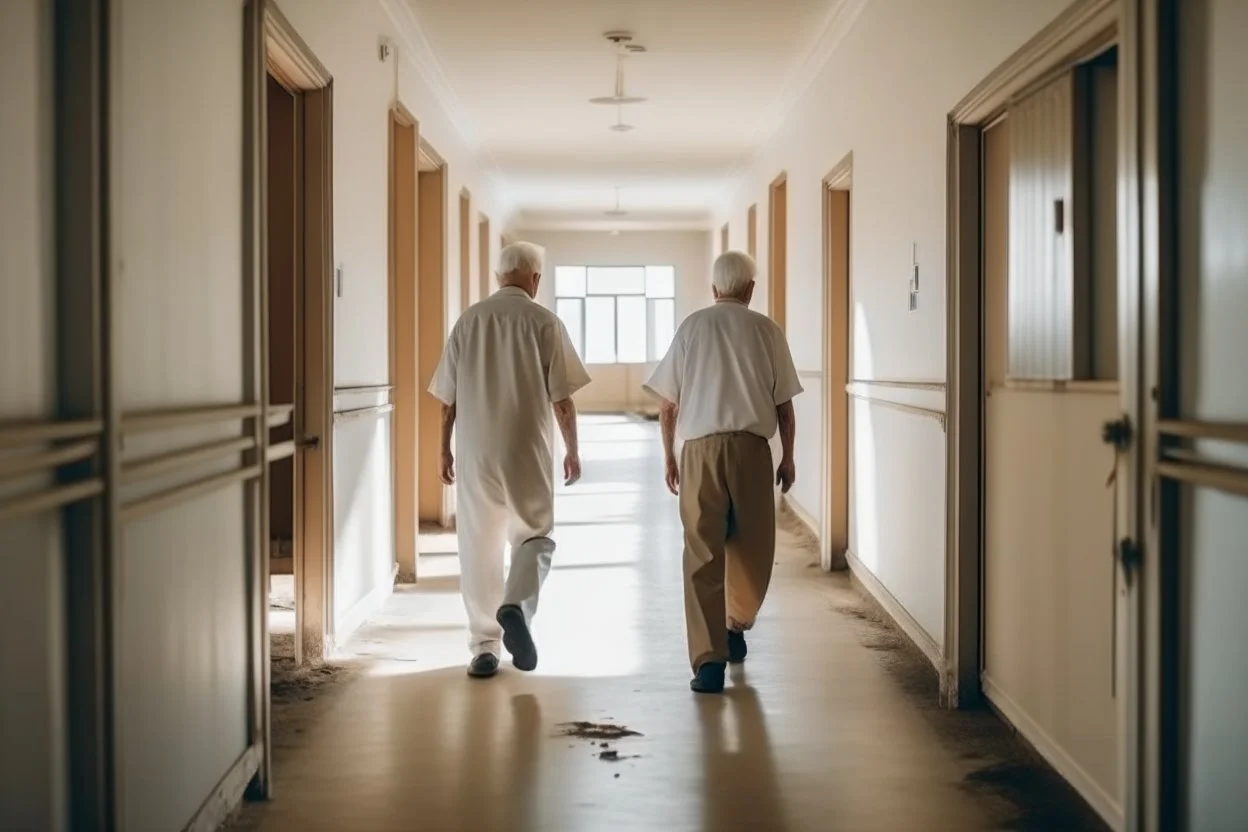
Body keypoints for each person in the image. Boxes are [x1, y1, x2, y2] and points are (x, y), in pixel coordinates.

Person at [643, 250, 802, 694]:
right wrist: (787, 456)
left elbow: (667, 404)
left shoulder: (693, 327)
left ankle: (713, 654)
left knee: (702, 554)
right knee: (754, 549)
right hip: (752, 451)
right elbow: (784, 408)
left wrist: (670, 456)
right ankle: (728, 635)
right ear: (751, 288)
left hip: (700, 451)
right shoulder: (767, 330)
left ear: (715, 289)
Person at [428, 241, 590, 678]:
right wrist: (573, 449)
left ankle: (484, 648)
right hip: (526, 450)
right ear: (534, 278)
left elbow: (448, 401)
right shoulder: (544, 322)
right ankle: (515, 605)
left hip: (476, 451)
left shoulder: (468, 322)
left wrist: (444, 447)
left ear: (500, 275)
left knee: (478, 546)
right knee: (534, 536)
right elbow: (562, 400)